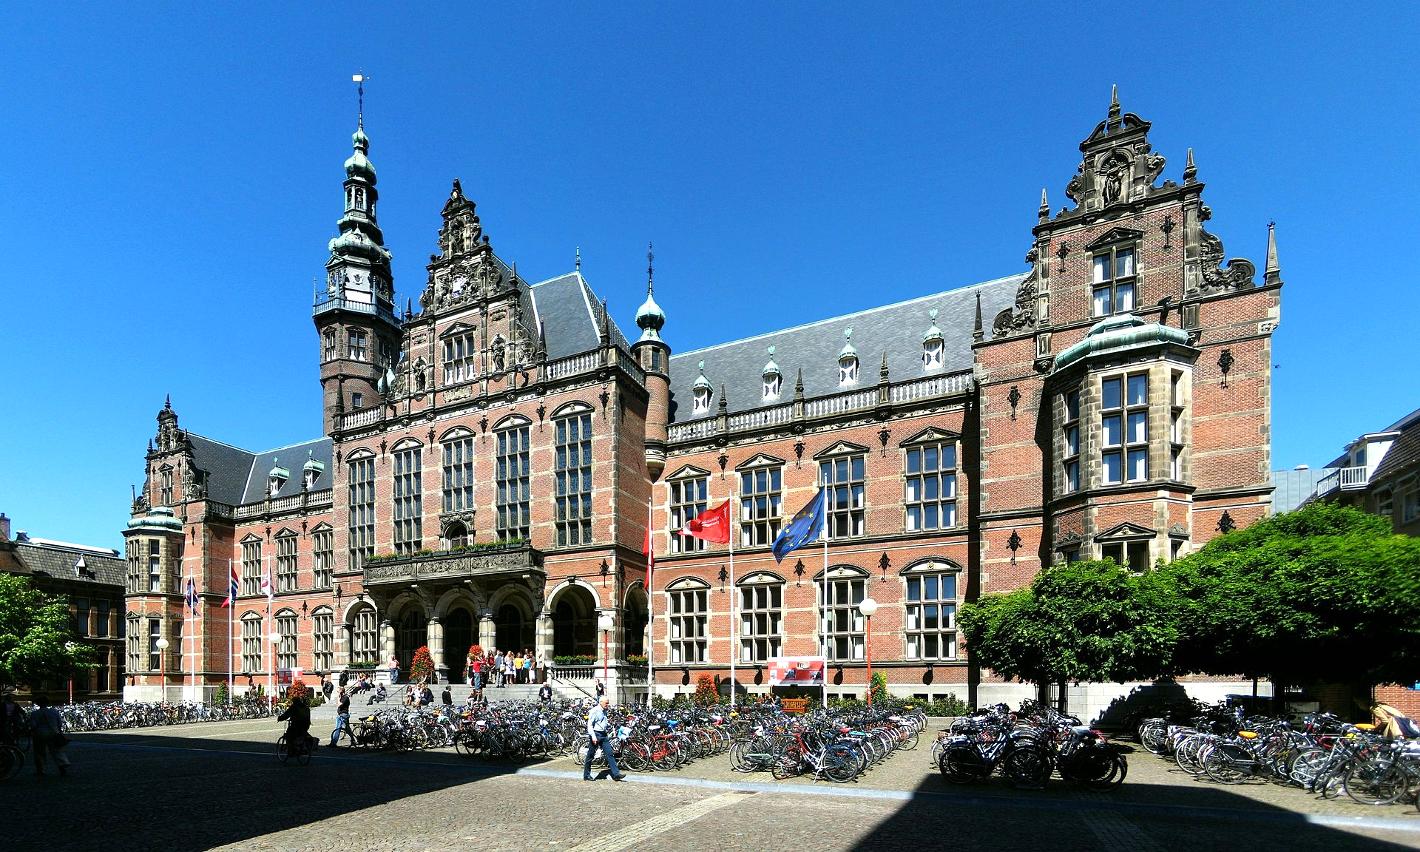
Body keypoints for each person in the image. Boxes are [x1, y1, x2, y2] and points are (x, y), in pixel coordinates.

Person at [583, 696, 625, 782]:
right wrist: (593, 737)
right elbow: (590, 725)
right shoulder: (594, 711)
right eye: (606, 703)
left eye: (608, 703)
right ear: (601, 702)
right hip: (596, 734)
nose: (608, 705)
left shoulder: (604, 710)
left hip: (603, 734)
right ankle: (586, 775)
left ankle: (616, 774)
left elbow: (603, 722)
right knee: (591, 755)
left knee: (609, 754)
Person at [28, 695, 70, 777]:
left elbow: (33, 725)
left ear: (38, 704)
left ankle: (41, 770)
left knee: (39, 753)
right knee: (56, 751)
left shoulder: (34, 713)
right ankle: (62, 766)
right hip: (53, 733)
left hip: (39, 734)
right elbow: (59, 723)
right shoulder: (54, 711)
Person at [277, 692, 312, 758]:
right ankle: (301, 747)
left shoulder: (294, 707)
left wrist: (280, 718)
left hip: (296, 725)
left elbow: (286, 715)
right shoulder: (306, 707)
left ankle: (291, 751)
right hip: (306, 725)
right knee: (301, 734)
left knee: (289, 736)